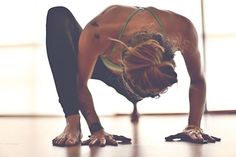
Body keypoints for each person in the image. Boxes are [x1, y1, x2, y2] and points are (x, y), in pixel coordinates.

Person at [46, 5, 220, 147]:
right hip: (106, 68)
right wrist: (96, 128)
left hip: (150, 73)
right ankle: (72, 122)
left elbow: (197, 80)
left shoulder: (183, 29)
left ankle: (135, 102)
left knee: (144, 89)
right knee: (58, 15)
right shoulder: (99, 32)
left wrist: (194, 126)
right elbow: (80, 84)